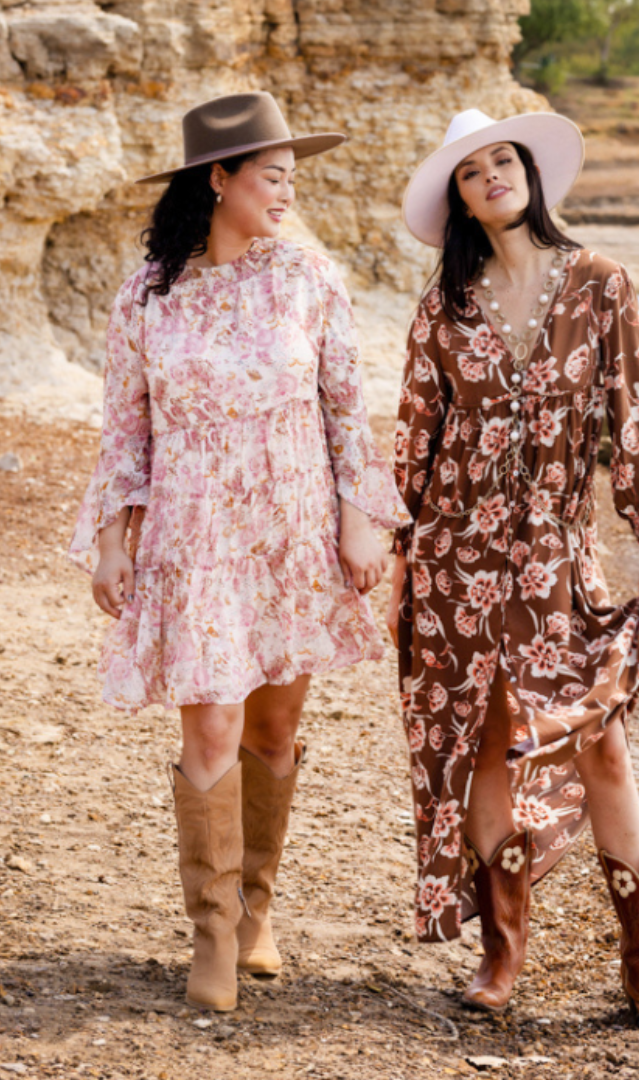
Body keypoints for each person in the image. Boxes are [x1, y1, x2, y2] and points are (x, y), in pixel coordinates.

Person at [69, 92, 409, 1012]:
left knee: (272, 730)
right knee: (212, 726)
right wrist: (111, 544)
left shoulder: (310, 278)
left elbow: (346, 411)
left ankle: (259, 906)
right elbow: (123, 435)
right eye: (272, 175)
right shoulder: (146, 294)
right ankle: (211, 931)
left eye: (293, 176)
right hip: (196, 537)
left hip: (293, 532)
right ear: (217, 179)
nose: (287, 192)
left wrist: (358, 520)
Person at [387, 109, 639, 1033]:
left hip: (559, 558)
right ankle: (502, 950)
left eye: (503, 160)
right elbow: (412, 445)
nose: (491, 177)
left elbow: (633, 423)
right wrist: (395, 564)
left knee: (600, 743)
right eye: (471, 172)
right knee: (482, 741)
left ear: (529, 174)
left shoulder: (600, 285)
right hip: (453, 558)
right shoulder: (445, 309)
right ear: (461, 201)